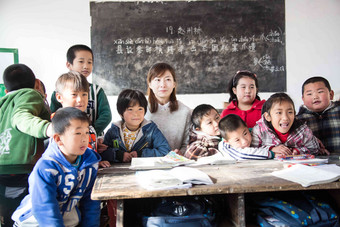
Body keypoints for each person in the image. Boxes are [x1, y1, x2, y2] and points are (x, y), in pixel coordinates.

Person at [12, 107, 101, 226]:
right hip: (36, 222)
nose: (85, 138)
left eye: (86, 132)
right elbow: (45, 209)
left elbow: (91, 202)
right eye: (78, 133)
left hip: (67, 219)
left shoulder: (90, 163)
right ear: (58, 139)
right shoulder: (45, 168)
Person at [0, 64, 51, 227]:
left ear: (6, 91)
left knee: (8, 215)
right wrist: (48, 128)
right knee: (27, 216)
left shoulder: (3, 102)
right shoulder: (32, 94)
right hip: (23, 167)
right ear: (37, 84)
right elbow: (21, 118)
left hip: (3, 169)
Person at [50, 44, 112, 135]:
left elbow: (106, 115)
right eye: (81, 61)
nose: (86, 66)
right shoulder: (60, 91)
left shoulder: (97, 90)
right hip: (68, 137)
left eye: (90, 62)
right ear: (69, 64)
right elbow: (53, 116)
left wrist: (90, 132)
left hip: (94, 139)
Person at [54, 71, 110, 168]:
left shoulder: (85, 121)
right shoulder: (58, 124)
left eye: (84, 94)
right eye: (74, 95)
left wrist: (95, 162)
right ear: (59, 97)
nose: (80, 99)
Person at [101, 89, 171, 163]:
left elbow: (165, 150)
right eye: (130, 109)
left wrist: (141, 154)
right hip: (118, 171)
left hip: (144, 169)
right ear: (121, 113)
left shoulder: (151, 130)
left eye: (140, 109)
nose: (136, 114)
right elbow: (103, 152)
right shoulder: (113, 131)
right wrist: (119, 155)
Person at [251, 93, 321, 156]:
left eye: (290, 112)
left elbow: (315, 149)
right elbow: (251, 151)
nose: (285, 118)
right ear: (268, 117)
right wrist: (271, 149)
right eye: (279, 112)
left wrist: (298, 151)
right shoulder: (259, 130)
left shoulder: (303, 130)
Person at [145, 62, 191, 155]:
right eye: (157, 80)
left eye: (168, 79)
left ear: (174, 83)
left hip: (176, 163)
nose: (163, 85)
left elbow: (187, 143)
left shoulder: (185, 111)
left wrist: (181, 153)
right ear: (150, 84)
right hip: (146, 161)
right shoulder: (140, 110)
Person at [297, 76, 340, 153]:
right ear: (303, 99)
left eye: (320, 92)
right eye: (309, 94)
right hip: (312, 163)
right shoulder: (299, 119)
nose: (315, 97)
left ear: (331, 94)